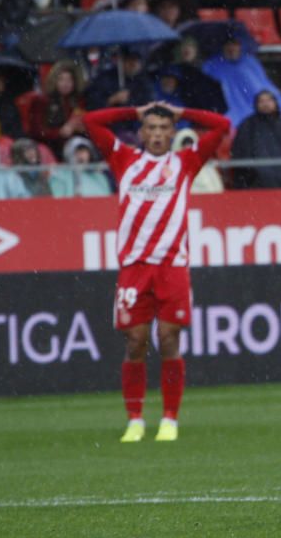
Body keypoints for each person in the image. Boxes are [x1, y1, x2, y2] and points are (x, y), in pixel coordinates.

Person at [83, 102, 230, 443]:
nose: (158, 134)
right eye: (151, 128)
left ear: (172, 133)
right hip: (134, 267)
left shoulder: (185, 162)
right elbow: (91, 119)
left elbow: (222, 125)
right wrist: (135, 110)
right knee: (135, 341)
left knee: (168, 339)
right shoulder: (124, 159)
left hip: (172, 266)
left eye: (164, 129)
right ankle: (135, 418)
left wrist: (184, 112)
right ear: (142, 133)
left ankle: (169, 418)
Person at [231, 90, 281, 189]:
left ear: (275, 102)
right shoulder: (248, 125)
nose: (266, 104)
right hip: (260, 173)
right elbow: (243, 151)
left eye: (269, 100)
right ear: (257, 104)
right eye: (262, 101)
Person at [202, 34, 281, 126]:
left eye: (235, 44)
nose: (231, 48)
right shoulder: (212, 66)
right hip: (227, 117)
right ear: (223, 47)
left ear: (240, 46)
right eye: (228, 45)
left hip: (254, 118)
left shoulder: (250, 63)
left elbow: (263, 87)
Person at [25, 60, 87, 159]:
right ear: (54, 80)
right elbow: (36, 131)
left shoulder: (78, 102)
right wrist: (59, 132)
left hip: (76, 149)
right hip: (50, 150)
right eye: (61, 79)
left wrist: (81, 129)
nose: (65, 83)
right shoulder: (41, 101)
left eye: (70, 80)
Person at [49, 136, 114, 197]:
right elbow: (58, 202)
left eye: (83, 151)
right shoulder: (59, 175)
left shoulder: (100, 177)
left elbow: (107, 201)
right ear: (68, 154)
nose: (80, 155)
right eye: (76, 151)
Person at [172, 128, 223, 193]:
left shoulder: (207, 168)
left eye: (191, 143)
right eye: (184, 144)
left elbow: (217, 191)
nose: (188, 147)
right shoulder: (171, 170)